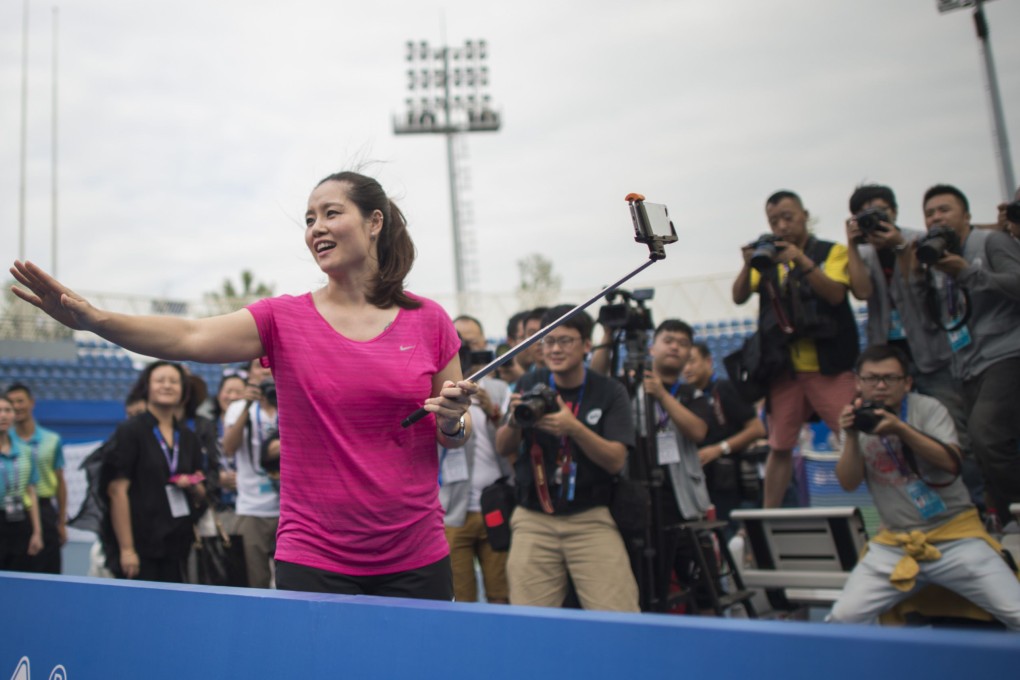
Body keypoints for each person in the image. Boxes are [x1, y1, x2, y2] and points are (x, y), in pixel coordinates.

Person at [10, 170, 475, 600]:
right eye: (310, 219)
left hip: (415, 554)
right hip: (314, 556)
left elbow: (453, 433)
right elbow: (189, 336)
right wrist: (96, 320)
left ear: (375, 222)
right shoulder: (283, 318)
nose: (316, 228)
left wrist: (455, 422)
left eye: (332, 213)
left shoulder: (428, 320)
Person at [828, 346, 1020, 630]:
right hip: (896, 544)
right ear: (858, 382)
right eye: (871, 379)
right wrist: (851, 437)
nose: (880, 385)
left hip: (955, 536)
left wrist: (901, 429)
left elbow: (951, 464)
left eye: (890, 378)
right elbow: (848, 483)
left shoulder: (928, 409)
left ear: (907, 382)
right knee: (842, 620)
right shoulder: (855, 420)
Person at [495, 306, 639, 612]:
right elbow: (502, 446)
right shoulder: (529, 382)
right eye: (548, 341)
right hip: (533, 518)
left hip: (590, 517)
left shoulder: (609, 391)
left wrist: (573, 428)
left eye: (565, 340)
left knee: (618, 615)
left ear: (587, 345)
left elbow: (616, 461)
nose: (555, 349)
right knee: (528, 622)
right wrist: (515, 420)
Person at [843, 185, 979, 508]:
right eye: (865, 215)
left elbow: (919, 284)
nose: (876, 220)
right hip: (887, 358)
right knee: (891, 432)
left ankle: (977, 504)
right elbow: (861, 292)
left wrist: (900, 246)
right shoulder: (860, 252)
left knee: (955, 430)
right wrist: (851, 243)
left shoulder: (919, 240)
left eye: (881, 211)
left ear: (894, 210)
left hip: (932, 353)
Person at [731, 190, 859, 508]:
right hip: (784, 368)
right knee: (779, 445)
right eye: (774, 221)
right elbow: (739, 296)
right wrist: (749, 265)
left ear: (804, 215)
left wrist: (800, 259)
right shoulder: (768, 259)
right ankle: (768, 520)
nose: (782, 226)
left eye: (788, 217)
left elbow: (835, 296)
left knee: (855, 436)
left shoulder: (831, 252)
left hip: (828, 364)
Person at [916, 184, 1020, 528]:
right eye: (930, 213)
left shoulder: (990, 243)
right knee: (979, 445)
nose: (936, 217)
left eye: (944, 210)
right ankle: (1006, 522)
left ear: (967, 215)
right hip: (968, 363)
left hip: (1006, 352)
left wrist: (968, 271)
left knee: (987, 435)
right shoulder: (935, 258)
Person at [102, 361, 207, 582]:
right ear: (146, 387)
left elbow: (201, 491)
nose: (167, 386)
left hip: (177, 542)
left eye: (174, 381)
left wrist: (195, 486)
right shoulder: (131, 430)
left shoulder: (188, 437)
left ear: (183, 390)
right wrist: (127, 549)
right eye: (160, 380)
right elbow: (116, 491)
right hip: (140, 543)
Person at [439, 315, 513, 603]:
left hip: (494, 503)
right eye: (460, 343)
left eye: (473, 342)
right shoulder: (439, 390)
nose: (467, 348)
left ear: (484, 344)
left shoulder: (497, 389)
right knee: (461, 598)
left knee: (500, 594)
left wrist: (493, 412)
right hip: (452, 509)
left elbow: (510, 445)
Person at [682, 342, 766, 532]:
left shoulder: (724, 389)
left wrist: (720, 449)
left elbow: (757, 429)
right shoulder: (686, 397)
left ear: (708, 361)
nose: (686, 368)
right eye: (683, 363)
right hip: (700, 482)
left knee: (728, 535)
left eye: (692, 361)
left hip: (728, 482)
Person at [222, 359, 280, 588]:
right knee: (256, 583)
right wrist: (247, 405)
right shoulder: (238, 408)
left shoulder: (293, 400)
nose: (266, 368)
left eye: (270, 363)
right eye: (258, 365)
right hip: (251, 508)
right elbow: (228, 448)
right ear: (249, 373)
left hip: (289, 509)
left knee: (289, 585)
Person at [6, 383, 66, 574]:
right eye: (11, 403)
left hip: (44, 509)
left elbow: (60, 482)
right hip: (14, 512)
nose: (16, 407)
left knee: (47, 569)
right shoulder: (4, 441)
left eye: (20, 401)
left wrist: (62, 522)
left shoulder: (51, 439)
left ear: (31, 403)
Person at [0, 394, 43, 571]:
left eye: (7, 410)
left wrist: (37, 532)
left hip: (19, 521)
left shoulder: (25, 451)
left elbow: (31, 492)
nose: (3, 415)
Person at [209, 370, 246, 533]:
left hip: (248, 506)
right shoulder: (206, 428)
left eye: (239, 392)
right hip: (217, 507)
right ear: (218, 395)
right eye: (228, 391)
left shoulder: (255, 424)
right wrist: (216, 478)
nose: (232, 396)